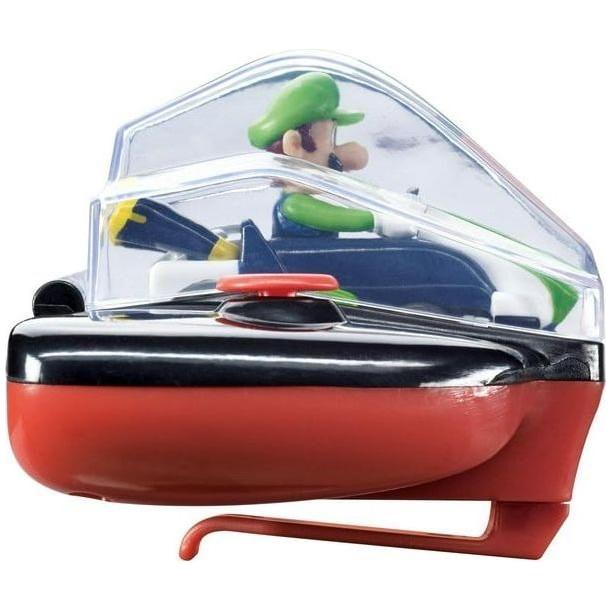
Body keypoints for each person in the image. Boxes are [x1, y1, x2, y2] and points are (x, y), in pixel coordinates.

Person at [249, 72, 414, 239]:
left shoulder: (312, 196)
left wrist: (390, 202)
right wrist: (379, 221)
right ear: (295, 145)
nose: (338, 155)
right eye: (331, 140)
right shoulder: (293, 205)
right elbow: (337, 217)